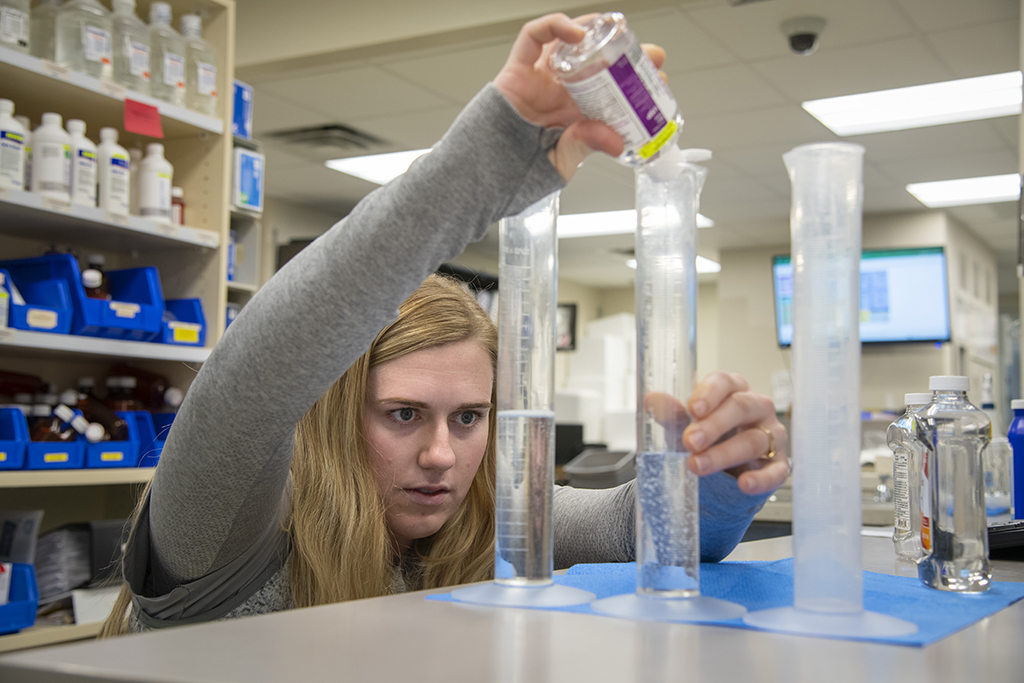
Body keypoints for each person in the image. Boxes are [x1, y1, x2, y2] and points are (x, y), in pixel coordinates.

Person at [101, 13, 790, 636]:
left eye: (468, 417)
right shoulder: (233, 536)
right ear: (335, 403)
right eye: (403, 413)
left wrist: (719, 481)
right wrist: (488, 155)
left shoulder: (483, 520)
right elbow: (247, 383)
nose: (442, 455)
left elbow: (636, 527)